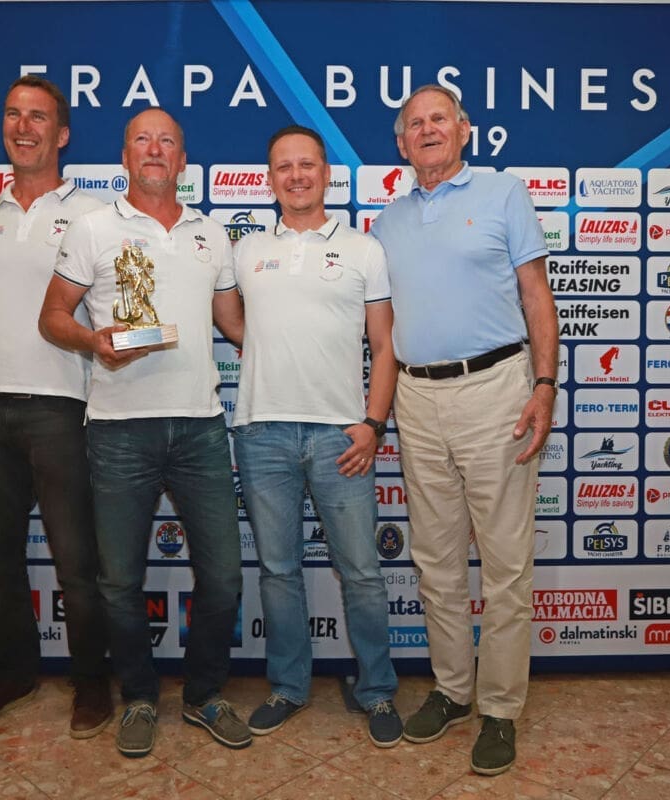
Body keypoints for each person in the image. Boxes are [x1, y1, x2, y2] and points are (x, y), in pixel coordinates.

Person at [38, 108, 249, 758]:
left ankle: (205, 694)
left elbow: (237, 326)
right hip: (118, 429)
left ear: (182, 160)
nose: (154, 150)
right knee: (119, 582)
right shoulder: (93, 227)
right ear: (125, 156)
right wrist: (93, 341)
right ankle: (137, 695)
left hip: (200, 426)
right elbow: (53, 316)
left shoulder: (210, 233)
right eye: (142, 140)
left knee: (224, 576)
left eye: (167, 142)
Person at [370, 85, 559, 776]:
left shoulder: (504, 193)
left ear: (464, 129)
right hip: (417, 399)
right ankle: (453, 691)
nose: (427, 130)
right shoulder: (386, 223)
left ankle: (500, 709)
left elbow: (536, 295)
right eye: (414, 124)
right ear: (401, 144)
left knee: (505, 563)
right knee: (436, 559)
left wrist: (545, 384)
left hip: (496, 390)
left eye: (439, 119)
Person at [0, 76, 111, 739]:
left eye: (38, 116)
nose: (23, 126)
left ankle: (91, 681)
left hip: (61, 405)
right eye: (13, 114)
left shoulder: (94, 216)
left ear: (61, 134)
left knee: (76, 560)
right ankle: (12, 672)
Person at [230, 125, 401, 747]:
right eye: (284, 167)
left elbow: (384, 345)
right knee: (278, 571)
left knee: (362, 573)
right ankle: (288, 686)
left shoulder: (363, 249)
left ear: (327, 174)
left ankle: (377, 691)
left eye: (307, 165)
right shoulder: (245, 251)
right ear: (269, 179)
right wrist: (269, 351)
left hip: (341, 436)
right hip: (262, 431)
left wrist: (373, 424)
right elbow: (231, 319)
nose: (296, 176)